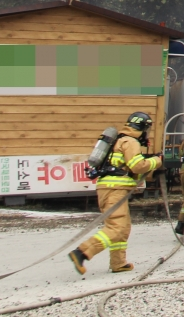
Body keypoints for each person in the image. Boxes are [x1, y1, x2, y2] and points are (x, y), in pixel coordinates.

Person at [69, 111, 162, 274]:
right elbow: (137, 166)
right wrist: (157, 161)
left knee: (123, 227)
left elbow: (128, 168)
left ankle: (118, 263)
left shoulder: (118, 140)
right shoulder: (130, 141)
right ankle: (82, 252)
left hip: (109, 188)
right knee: (117, 227)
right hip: (115, 189)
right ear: (142, 128)